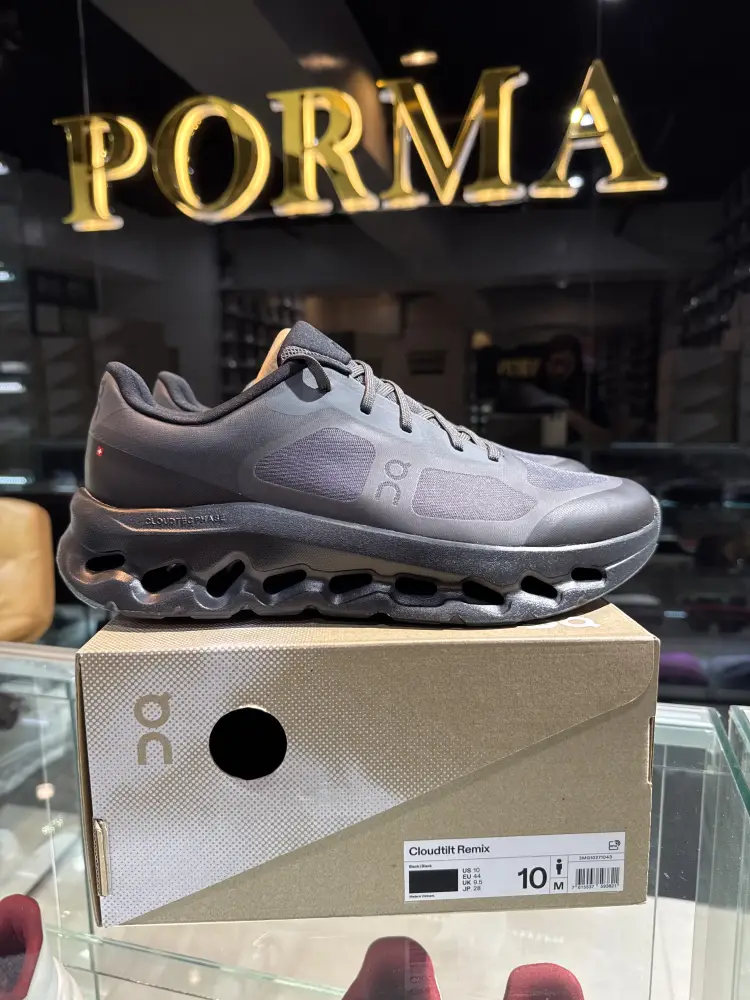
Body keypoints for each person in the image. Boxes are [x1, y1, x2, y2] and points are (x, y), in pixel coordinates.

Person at [535, 334, 611, 445]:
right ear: (546, 364)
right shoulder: (533, 390)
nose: (560, 371)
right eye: (556, 363)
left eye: (567, 365)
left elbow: (606, 439)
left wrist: (574, 419)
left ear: (576, 365)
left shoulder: (588, 391)